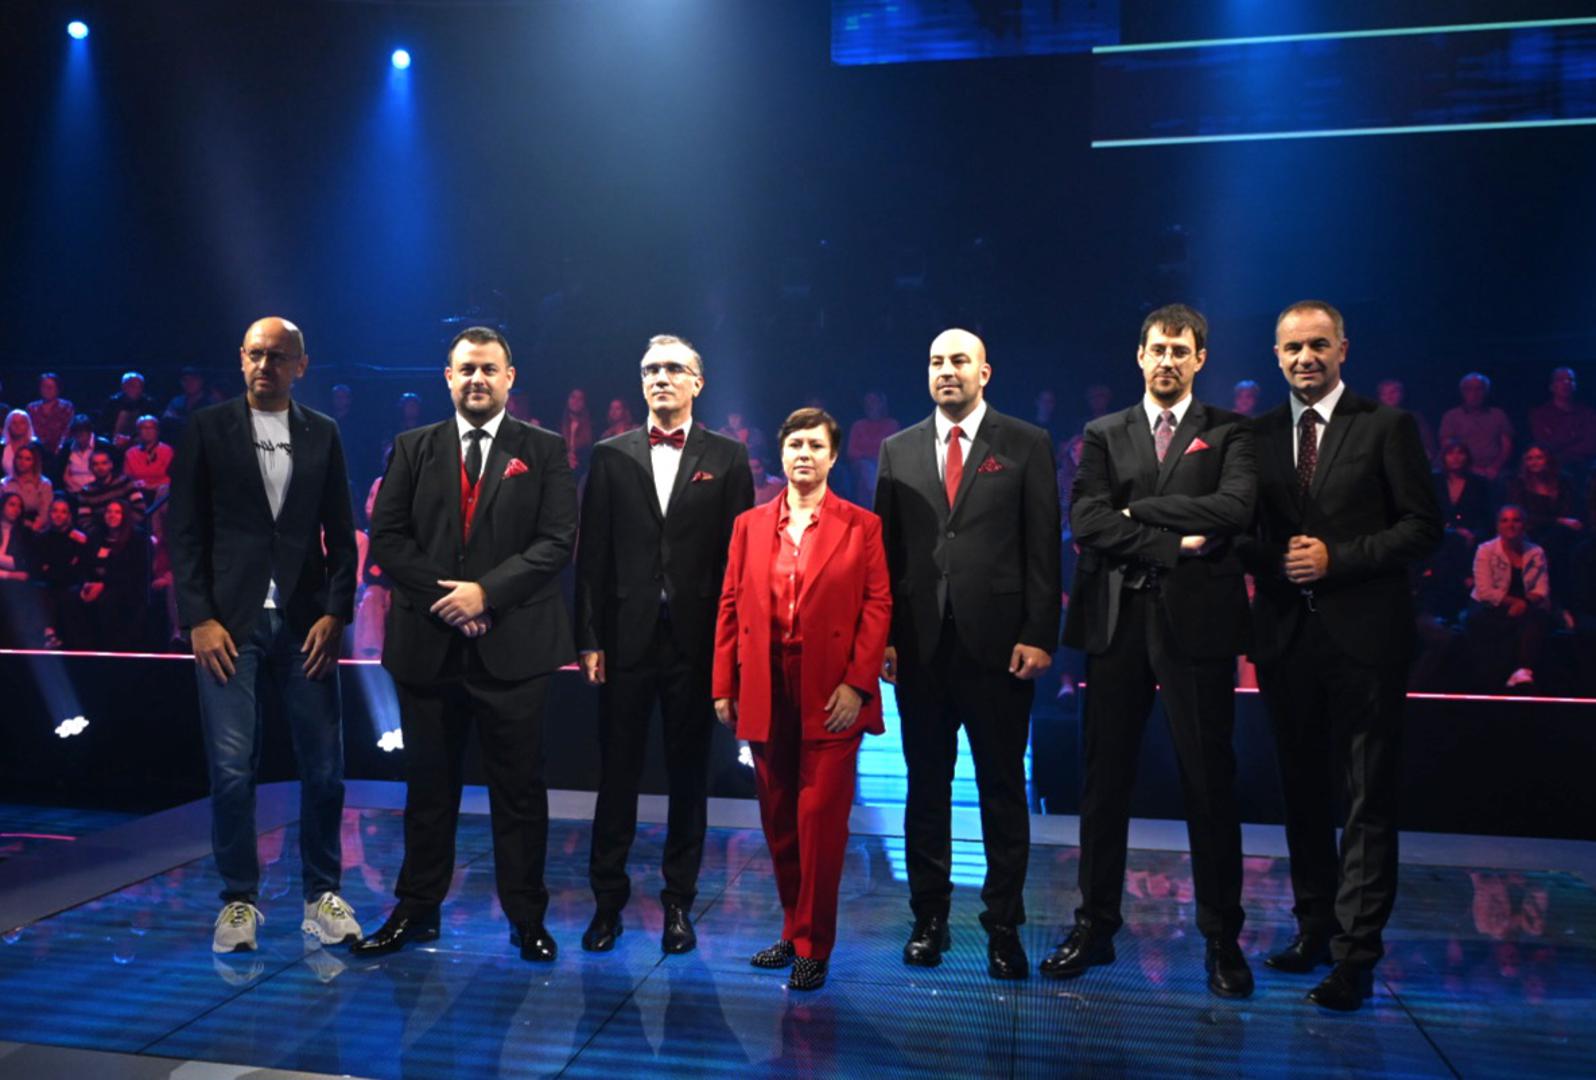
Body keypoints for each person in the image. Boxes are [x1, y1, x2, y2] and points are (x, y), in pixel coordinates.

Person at [1239, 300, 1441, 1012]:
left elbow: (1423, 526)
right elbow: (1243, 534)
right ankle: (1314, 930)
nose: (1306, 358)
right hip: (1286, 638)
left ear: (1343, 350)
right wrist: (1277, 560)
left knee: (1365, 800)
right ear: (1276, 355)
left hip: (1366, 639)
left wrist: (1338, 557)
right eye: (1293, 347)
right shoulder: (1256, 435)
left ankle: (1356, 955)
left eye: (1319, 345)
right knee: (1301, 793)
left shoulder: (1387, 426)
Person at [1050, 304, 1256, 997]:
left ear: (1201, 359)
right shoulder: (1104, 432)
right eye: (1158, 348)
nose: (1167, 359)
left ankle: (1222, 939)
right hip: (1116, 622)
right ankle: (1095, 926)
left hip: (1198, 625)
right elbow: (1086, 518)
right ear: (1139, 356)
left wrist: (1136, 513)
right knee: (1103, 782)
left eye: (1180, 349)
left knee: (1209, 781)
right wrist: (1173, 543)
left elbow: (1234, 509)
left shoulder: (1229, 430)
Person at [358, 326, 578, 963]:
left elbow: (557, 541)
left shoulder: (544, 448)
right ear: (448, 378)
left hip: (516, 648)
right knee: (428, 789)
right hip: (428, 645)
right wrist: (454, 601)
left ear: (510, 378)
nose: (477, 378)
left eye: (488, 368)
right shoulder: (412, 447)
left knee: (519, 792)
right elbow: (388, 537)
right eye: (466, 369)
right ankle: (416, 910)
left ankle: (526, 918)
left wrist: (487, 594)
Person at [167, 317, 360, 954]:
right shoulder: (208, 428)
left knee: (325, 769)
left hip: (307, 623)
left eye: (277, 356)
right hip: (229, 623)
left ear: (301, 365)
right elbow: (184, 531)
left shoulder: (323, 432)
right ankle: (239, 901)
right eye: (255, 354)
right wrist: (198, 618)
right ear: (241, 358)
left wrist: (337, 613)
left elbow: (342, 531)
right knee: (231, 771)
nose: (263, 365)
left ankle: (321, 895)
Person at [874, 327, 1061, 980]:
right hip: (920, 649)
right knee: (925, 788)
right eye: (936, 361)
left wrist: (1040, 632)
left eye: (959, 360)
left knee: (1002, 789)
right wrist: (883, 635)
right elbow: (884, 555)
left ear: (985, 372)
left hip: (1001, 648)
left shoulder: (1026, 442)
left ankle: (1003, 927)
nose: (946, 370)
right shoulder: (896, 449)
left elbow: (1044, 547)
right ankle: (928, 919)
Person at [574, 334, 753, 954]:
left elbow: (738, 564)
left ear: (698, 382)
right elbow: (591, 556)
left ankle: (679, 904)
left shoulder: (728, 457)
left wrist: (731, 650)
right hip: (624, 641)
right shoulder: (609, 454)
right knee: (616, 777)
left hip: (697, 644)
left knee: (688, 779)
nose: (661, 378)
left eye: (674, 368)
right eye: (651, 369)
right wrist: (588, 637)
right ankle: (607, 905)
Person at [711, 407, 890, 990]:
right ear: (782, 454)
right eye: (795, 445)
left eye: (815, 445)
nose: (804, 454)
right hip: (766, 685)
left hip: (831, 689)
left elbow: (878, 606)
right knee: (780, 818)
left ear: (833, 457)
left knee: (820, 822)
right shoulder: (749, 525)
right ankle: (793, 930)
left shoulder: (861, 525)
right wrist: (723, 684)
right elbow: (730, 606)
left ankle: (815, 943)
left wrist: (857, 684)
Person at [1464, 505, 1553, 689]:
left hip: (1525, 606)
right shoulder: (1485, 550)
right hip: (1490, 604)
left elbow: (1542, 589)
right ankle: (1491, 680)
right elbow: (1484, 591)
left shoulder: (1536, 552)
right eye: (1505, 520)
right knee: (1487, 622)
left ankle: (1523, 672)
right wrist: (1515, 602)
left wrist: (1524, 603)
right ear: (1498, 526)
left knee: (1537, 619)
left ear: (1524, 525)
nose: (1510, 525)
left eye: (1516, 520)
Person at [78, 499, 151, 651]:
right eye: (109, 512)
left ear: (125, 516)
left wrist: (103, 585)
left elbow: (134, 572)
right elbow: (86, 563)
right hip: (96, 584)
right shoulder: (97, 536)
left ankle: (110, 650)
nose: (112, 515)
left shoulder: (137, 538)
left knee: (108, 601)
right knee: (72, 597)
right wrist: (86, 583)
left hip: (126, 587)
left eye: (117, 512)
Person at [31, 496, 87, 649]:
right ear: (49, 514)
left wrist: (54, 567)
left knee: (67, 593)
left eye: (63, 512)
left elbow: (78, 567)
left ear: (69, 515)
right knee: (43, 591)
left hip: (70, 583)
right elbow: (39, 566)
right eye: (55, 511)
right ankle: (50, 635)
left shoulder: (78, 538)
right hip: (48, 583)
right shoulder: (41, 538)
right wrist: (61, 566)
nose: (58, 515)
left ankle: (66, 642)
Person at [1439, 373, 1513, 480]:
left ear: (1486, 391)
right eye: (1469, 389)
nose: (1474, 393)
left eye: (1479, 389)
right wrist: (1471, 469)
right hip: (1462, 470)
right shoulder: (1451, 416)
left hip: (1495, 470)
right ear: (1462, 392)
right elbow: (1447, 446)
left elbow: (1506, 446)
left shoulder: (1498, 415)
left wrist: (1495, 467)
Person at [1528, 367, 1596, 473]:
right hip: (1553, 466)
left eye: (1570, 380)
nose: (1566, 383)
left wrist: (1566, 449)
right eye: (1561, 380)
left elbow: (1591, 443)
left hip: (1584, 466)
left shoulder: (1588, 413)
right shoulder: (1540, 414)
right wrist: (1573, 439)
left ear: (1575, 385)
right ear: (1552, 386)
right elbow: (1544, 444)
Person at [845, 391, 900, 510]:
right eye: (868, 403)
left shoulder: (891, 425)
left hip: (883, 464)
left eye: (874, 402)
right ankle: (877, 499)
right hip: (861, 464)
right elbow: (851, 452)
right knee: (867, 468)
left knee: (872, 474)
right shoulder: (858, 426)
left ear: (882, 404)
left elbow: (894, 451)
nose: (870, 406)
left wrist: (876, 458)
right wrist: (868, 456)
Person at [1432, 439, 1493, 546]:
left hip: (1470, 539)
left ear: (1467, 457)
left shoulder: (1479, 483)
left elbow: (1486, 517)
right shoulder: (1434, 481)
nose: (1455, 457)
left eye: (1460, 453)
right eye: (1450, 453)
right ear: (1443, 457)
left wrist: (1474, 534)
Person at [75, 447, 146, 528]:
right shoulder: (86, 492)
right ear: (90, 468)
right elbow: (84, 520)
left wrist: (127, 528)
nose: (100, 467)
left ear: (111, 465)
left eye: (104, 463)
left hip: (128, 530)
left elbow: (140, 508)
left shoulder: (125, 482)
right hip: (100, 533)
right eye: (95, 464)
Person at [1376, 379, 1437, 464]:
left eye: (1393, 392)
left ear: (1402, 394)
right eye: (1384, 394)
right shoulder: (1374, 419)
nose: (1389, 396)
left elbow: (1428, 444)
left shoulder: (1415, 417)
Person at [3, 444, 53, 531]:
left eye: (28, 459)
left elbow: (45, 513)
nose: (22, 462)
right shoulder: (4, 483)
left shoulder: (44, 484)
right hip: (6, 527)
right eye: (20, 457)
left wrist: (33, 527)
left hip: (33, 529)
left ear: (34, 462)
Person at [56, 415, 108, 494]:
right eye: (76, 432)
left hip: (97, 492)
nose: (79, 435)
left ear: (89, 432)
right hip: (72, 493)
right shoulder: (67, 448)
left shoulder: (103, 446)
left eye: (82, 432)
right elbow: (60, 473)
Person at [27, 373, 74, 458]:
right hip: (36, 451)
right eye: (44, 387)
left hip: (59, 452)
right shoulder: (32, 408)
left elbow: (68, 430)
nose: (47, 390)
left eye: (50, 387)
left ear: (58, 389)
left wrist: (60, 448)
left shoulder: (66, 407)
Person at [123, 415, 175, 492]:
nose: (148, 431)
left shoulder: (167, 451)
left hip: (161, 490)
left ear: (157, 431)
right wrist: (136, 484)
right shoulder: (130, 453)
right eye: (144, 428)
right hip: (139, 490)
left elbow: (173, 477)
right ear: (138, 431)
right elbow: (127, 478)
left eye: (151, 428)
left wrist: (152, 487)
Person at [102, 371, 151, 446]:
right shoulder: (113, 404)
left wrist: (132, 439)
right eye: (132, 386)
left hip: (141, 443)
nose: (136, 390)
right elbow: (104, 428)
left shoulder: (147, 404)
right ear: (123, 387)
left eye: (139, 386)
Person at [2, 409, 41, 480]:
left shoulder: (37, 447)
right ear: (8, 426)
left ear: (28, 425)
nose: (18, 426)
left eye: (22, 422)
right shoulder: (2, 447)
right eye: (14, 423)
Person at [562, 387, 593, 473]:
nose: (576, 401)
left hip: (581, 469)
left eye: (580, 399)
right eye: (573, 397)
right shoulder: (558, 425)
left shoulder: (591, 427)